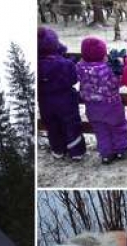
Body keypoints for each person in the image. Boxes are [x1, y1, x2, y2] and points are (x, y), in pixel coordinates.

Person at [76, 36, 127, 164]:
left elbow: (74, 74)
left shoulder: (80, 68)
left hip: (92, 107)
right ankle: (121, 150)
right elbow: (118, 82)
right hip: (111, 106)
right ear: (103, 54)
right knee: (118, 127)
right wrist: (119, 69)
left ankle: (106, 154)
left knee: (101, 131)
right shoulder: (108, 69)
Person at [38, 27, 85, 161]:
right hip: (65, 100)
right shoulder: (64, 63)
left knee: (52, 126)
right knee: (71, 125)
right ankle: (76, 152)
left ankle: (58, 150)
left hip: (45, 102)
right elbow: (73, 79)